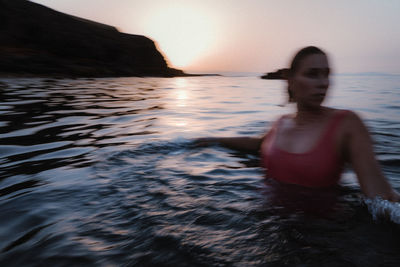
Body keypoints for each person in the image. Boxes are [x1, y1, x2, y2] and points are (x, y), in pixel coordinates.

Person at [196, 46, 400, 202]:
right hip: (269, 231)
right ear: (290, 80)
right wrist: (215, 140)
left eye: (326, 74)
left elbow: (381, 196)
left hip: (324, 240)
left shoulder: (347, 125)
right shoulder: (280, 124)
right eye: (312, 74)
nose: (323, 82)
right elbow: (258, 144)